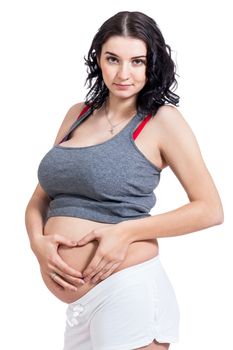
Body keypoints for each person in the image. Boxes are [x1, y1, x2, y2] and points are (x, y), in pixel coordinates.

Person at [25, 10, 224, 350]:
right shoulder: (78, 114)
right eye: (113, 59)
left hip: (130, 292)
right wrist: (37, 244)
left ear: (152, 65)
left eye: (137, 61)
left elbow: (210, 209)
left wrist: (125, 231)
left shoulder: (162, 121)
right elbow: (40, 199)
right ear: (98, 59)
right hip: (80, 307)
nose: (123, 74)